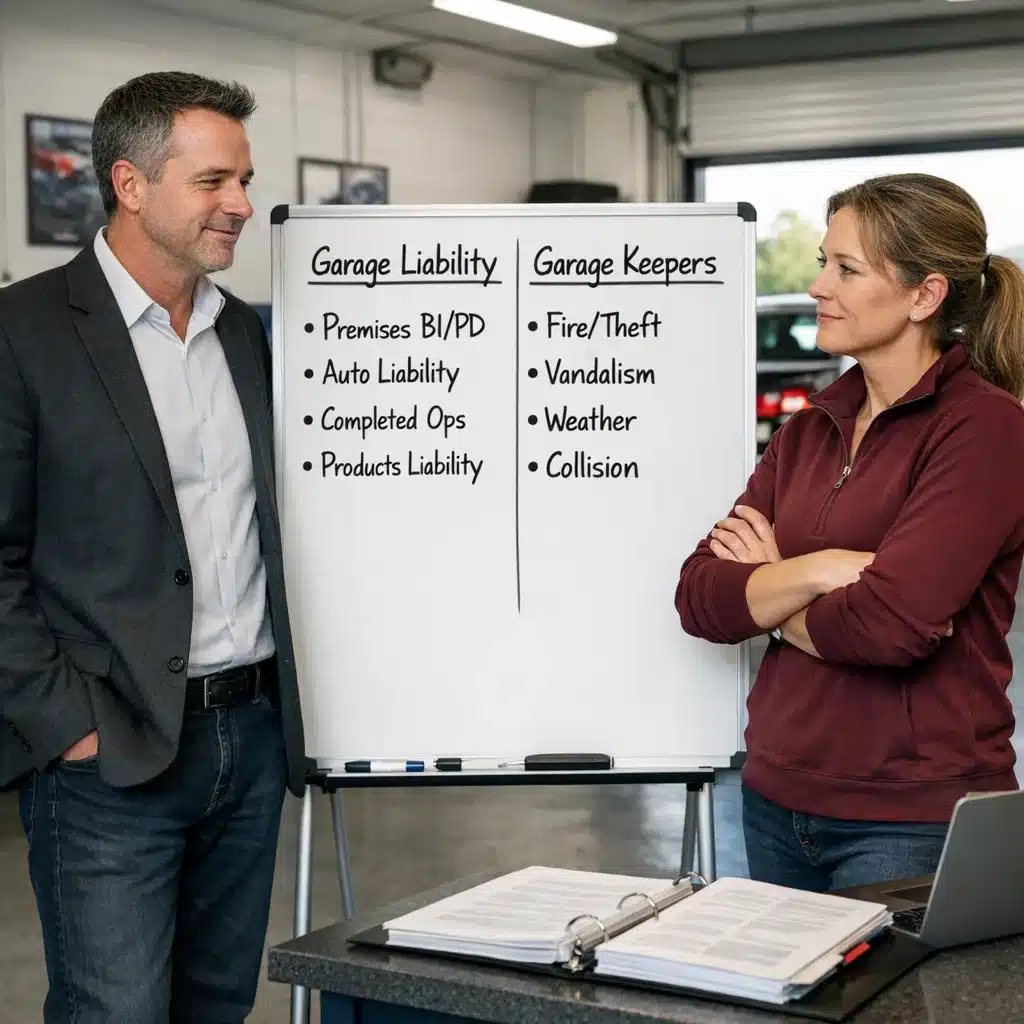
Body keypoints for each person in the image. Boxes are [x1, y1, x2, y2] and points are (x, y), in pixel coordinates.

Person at [0, 71, 307, 1022]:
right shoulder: (23, 334)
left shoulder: (246, 337)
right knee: (116, 1012)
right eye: (214, 182)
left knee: (217, 1006)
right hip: (110, 754)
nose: (242, 206)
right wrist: (68, 728)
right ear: (131, 184)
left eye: (244, 180)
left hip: (249, 741)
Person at [675, 172, 1024, 893]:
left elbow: (891, 630)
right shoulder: (810, 428)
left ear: (924, 296)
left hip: (911, 820)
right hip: (773, 799)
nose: (817, 287)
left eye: (847, 269)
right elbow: (701, 597)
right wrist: (819, 567)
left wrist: (767, 594)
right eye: (821, 263)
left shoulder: (986, 430)